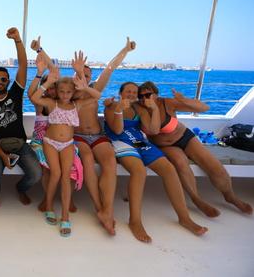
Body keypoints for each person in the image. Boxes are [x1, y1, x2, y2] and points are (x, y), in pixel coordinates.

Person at [104, 82, 208, 242]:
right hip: (120, 141)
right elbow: (117, 130)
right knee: (139, 171)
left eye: (134, 92)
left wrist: (153, 109)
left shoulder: (138, 108)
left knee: (169, 169)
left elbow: (153, 130)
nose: (131, 94)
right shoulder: (111, 106)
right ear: (120, 93)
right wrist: (119, 109)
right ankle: (135, 221)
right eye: (128, 91)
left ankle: (184, 218)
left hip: (138, 141)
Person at [138, 81, 252, 216]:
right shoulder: (140, 109)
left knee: (212, 164)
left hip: (185, 137)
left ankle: (230, 196)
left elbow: (204, 108)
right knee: (180, 162)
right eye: (141, 96)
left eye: (148, 95)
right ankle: (196, 199)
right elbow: (154, 131)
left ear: (156, 94)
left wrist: (183, 100)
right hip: (165, 145)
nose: (145, 99)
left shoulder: (167, 103)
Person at [73, 38, 136, 235]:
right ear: (75, 75)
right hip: (79, 136)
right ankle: (99, 207)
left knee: (109, 161)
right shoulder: (68, 92)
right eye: (80, 74)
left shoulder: (95, 90)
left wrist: (125, 50)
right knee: (88, 160)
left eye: (87, 75)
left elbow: (110, 68)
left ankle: (107, 209)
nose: (84, 77)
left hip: (98, 135)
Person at [30, 64, 101, 237]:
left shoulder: (77, 105)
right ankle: (48, 206)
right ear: (57, 90)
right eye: (61, 91)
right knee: (55, 173)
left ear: (73, 92)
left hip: (68, 144)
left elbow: (97, 96)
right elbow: (34, 97)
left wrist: (84, 86)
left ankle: (65, 216)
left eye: (68, 92)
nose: (64, 95)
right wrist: (48, 83)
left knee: (66, 175)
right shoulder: (51, 103)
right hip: (50, 142)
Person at [0, 27, 41, 209]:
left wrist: (17, 40)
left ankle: (21, 189)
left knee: (36, 175)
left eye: (3, 79)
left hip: (20, 144)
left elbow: (23, 65)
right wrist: (2, 155)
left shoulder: (15, 94)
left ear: (8, 81)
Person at [27, 38, 82, 213]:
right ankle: (47, 201)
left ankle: (66, 201)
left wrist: (40, 50)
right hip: (41, 140)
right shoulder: (44, 102)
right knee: (49, 169)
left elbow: (56, 71)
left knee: (71, 166)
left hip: (63, 142)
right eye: (50, 87)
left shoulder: (62, 101)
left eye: (53, 87)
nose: (51, 90)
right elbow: (32, 94)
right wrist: (44, 79)